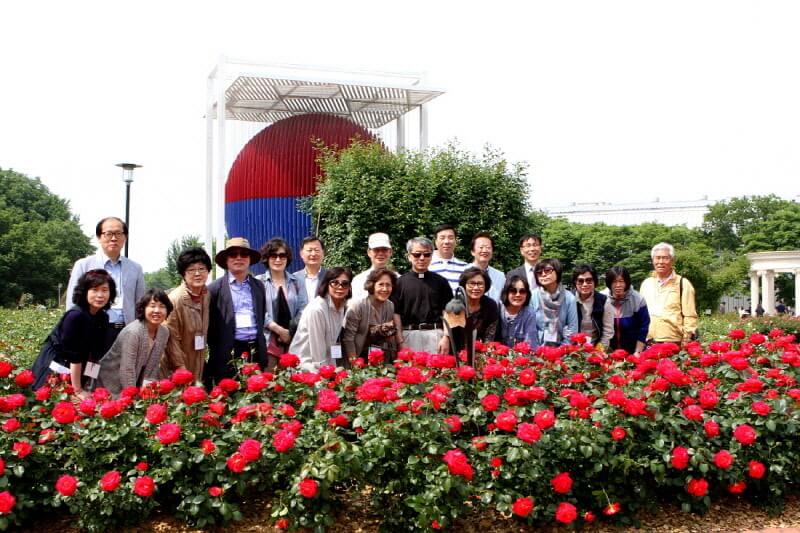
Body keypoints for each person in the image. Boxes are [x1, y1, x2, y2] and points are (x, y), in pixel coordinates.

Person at [66, 216, 145, 350]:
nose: (114, 238)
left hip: (126, 332)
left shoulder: (135, 268)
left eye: (118, 233)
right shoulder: (84, 265)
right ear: (99, 237)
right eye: (108, 234)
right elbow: (73, 302)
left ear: (125, 237)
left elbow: (140, 303)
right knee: (92, 364)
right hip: (92, 331)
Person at [206, 238, 267, 386]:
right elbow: (210, 327)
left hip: (255, 351)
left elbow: (262, 317)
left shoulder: (259, 286)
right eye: (233, 254)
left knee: (255, 396)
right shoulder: (214, 289)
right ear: (226, 260)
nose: (239, 258)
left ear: (249, 259)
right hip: (228, 353)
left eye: (244, 254)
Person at [47, 269, 116, 399]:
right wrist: (78, 390)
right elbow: (73, 356)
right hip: (57, 368)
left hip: (77, 371)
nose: (100, 295)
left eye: (104, 290)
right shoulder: (75, 316)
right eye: (94, 290)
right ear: (84, 292)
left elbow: (95, 354)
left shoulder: (103, 317)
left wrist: (89, 383)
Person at [96, 289, 172, 397]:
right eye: (152, 306)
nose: (157, 310)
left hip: (135, 381)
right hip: (110, 381)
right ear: (143, 309)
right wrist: (133, 399)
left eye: (162, 306)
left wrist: (147, 394)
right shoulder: (134, 332)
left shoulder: (164, 332)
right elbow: (127, 370)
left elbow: (153, 367)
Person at [391, 237, 453, 354]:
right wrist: (400, 341)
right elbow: (395, 314)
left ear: (431, 256)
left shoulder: (441, 282)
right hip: (409, 336)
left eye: (427, 254)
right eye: (417, 254)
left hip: (436, 336)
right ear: (409, 256)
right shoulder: (399, 283)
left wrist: (446, 337)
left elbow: (448, 311)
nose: (422, 258)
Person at [160, 247, 211, 382]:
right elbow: (171, 340)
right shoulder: (175, 300)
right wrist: (181, 369)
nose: (197, 273)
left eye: (202, 269)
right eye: (191, 270)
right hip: (177, 366)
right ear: (183, 274)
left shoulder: (206, 295)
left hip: (198, 358)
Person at [257, 238, 308, 369]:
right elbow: (258, 311)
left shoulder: (297, 282)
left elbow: (303, 308)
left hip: (293, 342)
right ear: (267, 258)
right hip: (268, 344)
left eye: (282, 255)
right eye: (273, 256)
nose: (278, 259)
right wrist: (279, 330)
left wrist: (289, 331)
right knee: (268, 379)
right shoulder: (259, 282)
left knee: (292, 380)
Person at [290, 267, 352, 370]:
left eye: (345, 283)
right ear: (326, 284)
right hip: (305, 365)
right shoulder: (317, 309)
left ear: (349, 287)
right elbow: (318, 355)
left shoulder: (341, 306)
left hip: (324, 364)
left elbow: (330, 345)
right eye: (335, 283)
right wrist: (327, 375)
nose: (340, 287)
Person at [638, 242, 698, 345]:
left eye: (665, 258)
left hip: (673, 341)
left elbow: (690, 315)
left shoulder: (682, 283)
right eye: (657, 258)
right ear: (653, 260)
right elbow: (640, 314)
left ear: (672, 260)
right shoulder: (646, 284)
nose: (660, 262)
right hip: (648, 341)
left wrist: (687, 340)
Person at [343, 268, 403, 365]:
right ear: (372, 285)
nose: (385, 289)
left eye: (388, 285)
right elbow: (348, 339)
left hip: (379, 359)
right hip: (358, 356)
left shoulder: (390, 306)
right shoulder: (358, 306)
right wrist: (354, 363)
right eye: (381, 284)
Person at [443, 267, 499, 349]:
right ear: (464, 285)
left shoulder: (491, 305)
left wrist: (485, 352)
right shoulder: (456, 304)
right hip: (456, 350)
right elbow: (451, 332)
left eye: (480, 284)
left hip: (480, 350)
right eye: (472, 283)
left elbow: (490, 336)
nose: (476, 288)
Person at [530, 259, 578, 346]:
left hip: (563, 349)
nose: (543, 274)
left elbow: (572, 329)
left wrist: (561, 350)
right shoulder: (532, 296)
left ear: (557, 271)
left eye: (547, 270)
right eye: (539, 272)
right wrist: (538, 350)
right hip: (537, 349)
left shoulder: (569, 298)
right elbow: (529, 329)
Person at [606, 266, 650, 354]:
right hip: (609, 351)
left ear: (627, 282)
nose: (618, 285)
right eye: (614, 282)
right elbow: (600, 330)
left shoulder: (638, 299)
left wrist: (638, 351)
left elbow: (644, 327)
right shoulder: (602, 299)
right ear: (609, 283)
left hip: (633, 350)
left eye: (621, 281)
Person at [572, 264, 614, 350]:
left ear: (595, 281)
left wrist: (598, 351)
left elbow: (608, 332)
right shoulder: (569, 299)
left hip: (595, 347)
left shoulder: (603, 301)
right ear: (575, 282)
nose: (585, 284)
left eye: (589, 280)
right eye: (580, 281)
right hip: (572, 347)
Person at [351, 232, 396, 302]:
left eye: (384, 249)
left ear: (390, 252)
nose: (380, 253)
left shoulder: (400, 280)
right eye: (376, 250)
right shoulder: (358, 280)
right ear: (369, 252)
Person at [496, 275, 538, 348]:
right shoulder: (497, 308)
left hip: (519, 354)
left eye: (522, 291)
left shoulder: (529, 314)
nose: (518, 295)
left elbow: (530, 344)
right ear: (507, 292)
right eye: (513, 291)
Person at [468, 231, 505, 302]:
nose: (484, 250)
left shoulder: (500, 276)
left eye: (488, 247)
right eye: (481, 247)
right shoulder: (462, 272)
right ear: (472, 252)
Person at [429, 224, 468, 292]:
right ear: (435, 241)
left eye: (450, 238)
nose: (446, 242)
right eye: (442, 238)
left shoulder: (465, 267)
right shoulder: (424, 264)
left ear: (456, 241)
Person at [294, 236, 327, 303]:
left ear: (323, 253)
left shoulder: (331, 277)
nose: (313, 254)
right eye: (309, 250)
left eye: (317, 250)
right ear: (301, 254)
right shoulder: (293, 279)